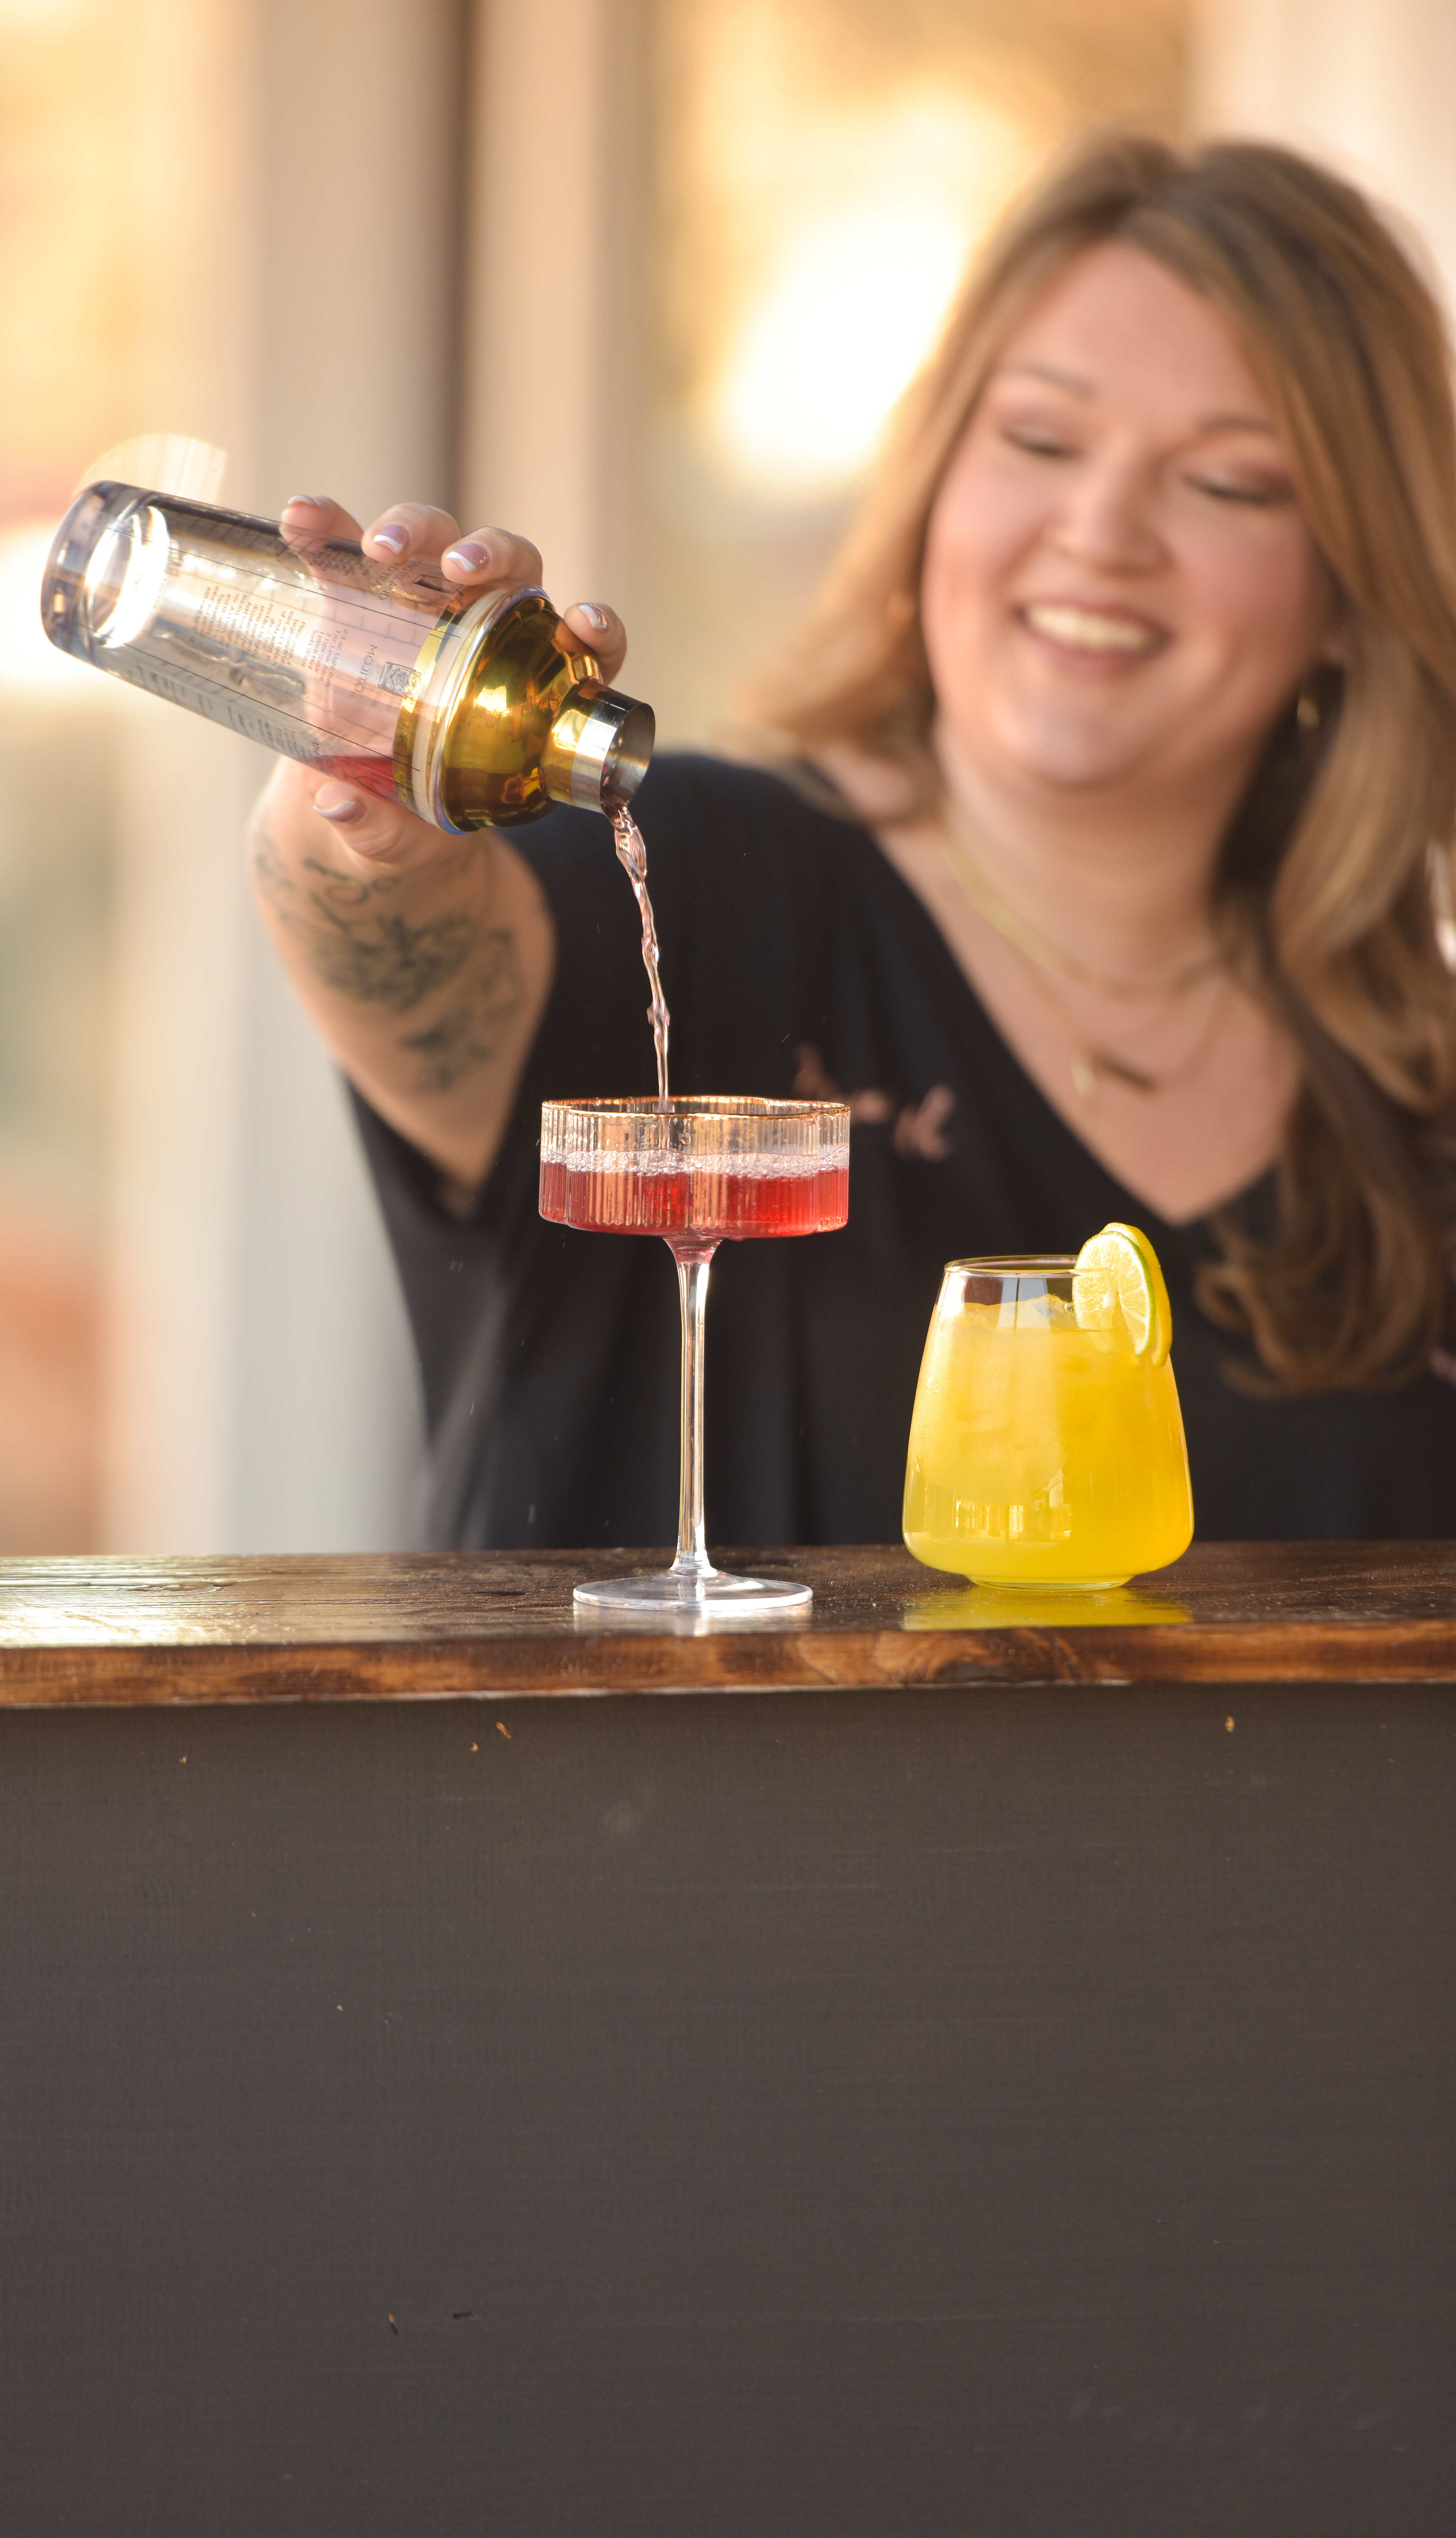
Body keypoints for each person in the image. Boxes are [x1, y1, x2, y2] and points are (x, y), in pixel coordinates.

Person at [248, 135, 1456, 1550]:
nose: (1102, 532)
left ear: (1349, 587)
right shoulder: (705, 873)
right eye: (1043, 442)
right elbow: (403, 960)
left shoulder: (1416, 1088)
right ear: (934, 489)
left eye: (1228, 483)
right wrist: (372, 811)